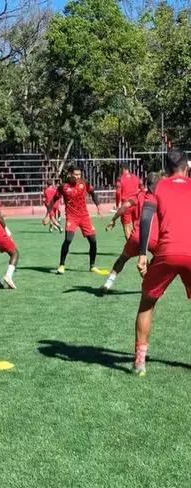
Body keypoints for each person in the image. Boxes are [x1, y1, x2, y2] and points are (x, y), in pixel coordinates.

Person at [133, 149, 191, 376]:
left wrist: (141, 254)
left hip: (166, 252)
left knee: (147, 302)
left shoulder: (158, 186)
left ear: (166, 169)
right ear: (187, 167)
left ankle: (140, 362)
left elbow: (146, 217)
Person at [102, 172, 161, 291]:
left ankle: (108, 284)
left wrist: (113, 220)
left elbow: (124, 206)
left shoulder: (139, 195)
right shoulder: (161, 197)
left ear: (146, 183)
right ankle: (156, 286)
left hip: (137, 236)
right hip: (154, 237)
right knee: (162, 260)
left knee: (122, 259)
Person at [43, 166, 101, 274]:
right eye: (75, 174)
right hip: (72, 217)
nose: (78, 177)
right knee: (68, 240)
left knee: (93, 241)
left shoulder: (84, 184)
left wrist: (98, 206)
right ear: (70, 174)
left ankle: (92, 265)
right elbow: (53, 200)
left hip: (84, 217)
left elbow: (93, 193)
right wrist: (49, 215)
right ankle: (61, 265)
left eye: (79, 174)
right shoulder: (63, 187)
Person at [116, 163, 142, 240]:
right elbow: (142, 188)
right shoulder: (136, 177)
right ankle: (139, 246)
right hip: (136, 204)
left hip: (126, 206)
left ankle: (131, 247)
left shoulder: (120, 179)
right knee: (136, 226)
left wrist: (118, 204)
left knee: (127, 226)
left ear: (123, 169)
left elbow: (118, 192)